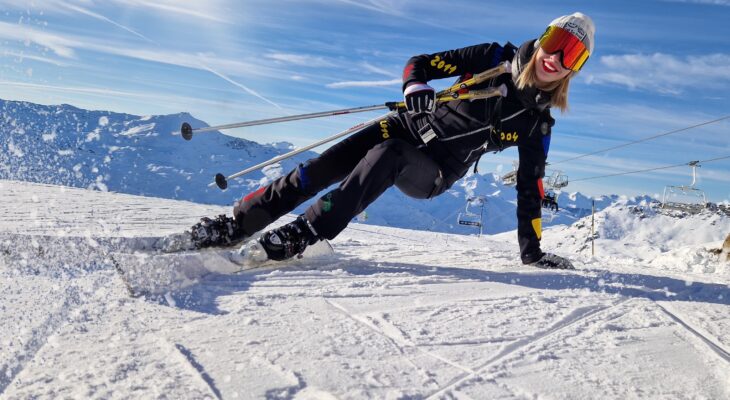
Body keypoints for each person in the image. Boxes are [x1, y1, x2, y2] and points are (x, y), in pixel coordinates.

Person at [191, 12, 595, 269]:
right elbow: (420, 63)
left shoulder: (536, 126)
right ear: (543, 37)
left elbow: (530, 189)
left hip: (434, 173)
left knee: (389, 155)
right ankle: (239, 223)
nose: (556, 58)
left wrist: (533, 254)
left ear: (573, 70)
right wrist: (415, 85)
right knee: (319, 169)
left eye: (571, 55)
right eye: (557, 42)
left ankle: (307, 232)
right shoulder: (493, 58)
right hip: (406, 126)